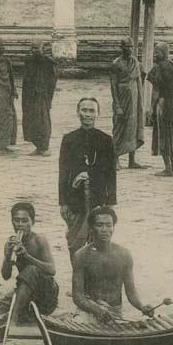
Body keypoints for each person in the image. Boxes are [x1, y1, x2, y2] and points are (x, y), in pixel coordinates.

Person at [71, 207, 153, 325]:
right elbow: (77, 296)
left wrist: (142, 307)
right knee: (79, 326)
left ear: (113, 227)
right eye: (100, 225)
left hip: (114, 312)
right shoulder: (81, 255)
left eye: (109, 225)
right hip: (90, 310)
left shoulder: (124, 254)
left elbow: (131, 292)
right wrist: (97, 310)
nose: (105, 230)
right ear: (91, 228)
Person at [59, 97, 117, 263]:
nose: (87, 114)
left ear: (98, 114)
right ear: (78, 112)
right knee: (75, 244)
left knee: (98, 242)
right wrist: (63, 202)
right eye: (84, 110)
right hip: (75, 200)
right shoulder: (69, 139)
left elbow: (111, 174)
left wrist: (110, 202)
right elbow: (63, 173)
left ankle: (95, 282)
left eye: (92, 111)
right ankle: (77, 280)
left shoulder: (106, 140)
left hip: (98, 199)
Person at [0, 202, 58, 325]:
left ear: (32, 222)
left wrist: (27, 256)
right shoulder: (10, 243)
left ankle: (14, 318)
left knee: (31, 270)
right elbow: (6, 276)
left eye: (24, 221)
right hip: (25, 292)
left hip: (46, 294)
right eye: (16, 220)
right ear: (12, 221)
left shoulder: (39, 240)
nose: (20, 225)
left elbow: (52, 270)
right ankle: (23, 313)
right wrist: (7, 257)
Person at [147, 42, 173, 177]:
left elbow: (156, 91)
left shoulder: (157, 69)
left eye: (157, 51)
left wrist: (151, 108)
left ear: (164, 53)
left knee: (163, 135)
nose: (155, 54)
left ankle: (168, 168)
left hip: (162, 104)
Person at [110, 36, 145, 171]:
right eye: (126, 46)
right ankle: (116, 159)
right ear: (121, 47)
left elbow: (142, 75)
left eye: (131, 46)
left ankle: (132, 160)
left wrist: (137, 92)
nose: (129, 49)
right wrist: (117, 105)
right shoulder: (116, 63)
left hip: (134, 101)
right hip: (122, 98)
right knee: (119, 128)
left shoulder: (135, 62)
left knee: (133, 128)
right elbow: (113, 85)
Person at [22, 40, 57, 157]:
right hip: (30, 97)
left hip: (42, 96)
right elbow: (26, 79)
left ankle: (45, 147)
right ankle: (38, 146)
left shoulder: (48, 62)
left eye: (36, 48)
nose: (33, 51)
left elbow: (52, 81)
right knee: (30, 121)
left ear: (43, 50)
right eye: (32, 48)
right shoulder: (29, 61)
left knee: (43, 121)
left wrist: (48, 98)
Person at [0, 37, 18, 154]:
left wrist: (14, 90)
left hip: (7, 94)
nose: (2, 48)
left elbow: (11, 77)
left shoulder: (6, 61)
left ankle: (5, 144)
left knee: (9, 118)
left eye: (3, 45)